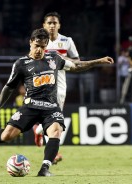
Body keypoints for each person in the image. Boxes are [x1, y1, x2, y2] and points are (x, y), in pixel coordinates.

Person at [0, 28, 114, 177]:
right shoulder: (21, 64)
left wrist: (99, 61)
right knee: (7, 136)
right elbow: (9, 88)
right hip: (30, 106)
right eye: (37, 45)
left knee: (56, 131)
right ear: (30, 42)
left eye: (43, 46)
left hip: (51, 107)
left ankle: (44, 168)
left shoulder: (54, 58)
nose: (39, 49)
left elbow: (76, 66)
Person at [33, 12, 80, 164]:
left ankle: (38, 130)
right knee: (53, 117)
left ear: (59, 25)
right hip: (43, 81)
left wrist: (62, 58)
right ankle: (53, 153)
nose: (52, 25)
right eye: (49, 23)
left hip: (60, 83)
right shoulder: (39, 41)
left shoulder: (67, 41)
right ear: (44, 25)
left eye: (55, 23)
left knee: (56, 115)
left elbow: (77, 61)